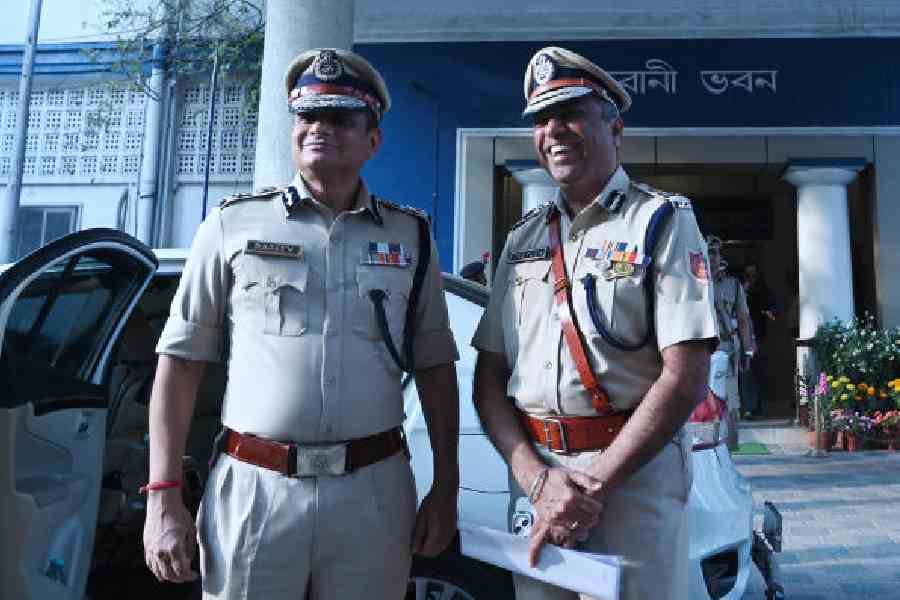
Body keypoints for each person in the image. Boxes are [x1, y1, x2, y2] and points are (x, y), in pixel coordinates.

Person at [142, 48, 460, 600]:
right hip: (257, 487)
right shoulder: (231, 225)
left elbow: (435, 365)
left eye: (341, 118)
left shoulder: (411, 237)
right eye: (308, 116)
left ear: (373, 141)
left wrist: (447, 486)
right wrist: (162, 495)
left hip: (374, 491)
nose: (320, 129)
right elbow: (180, 363)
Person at [471, 46, 718, 600]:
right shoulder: (524, 239)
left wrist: (591, 487)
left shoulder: (661, 221)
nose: (554, 129)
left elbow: (686, 376)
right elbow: (489, 379)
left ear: (615, 128)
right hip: (540, 482)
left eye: (572, 112)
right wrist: (538, 481)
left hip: (632, 481)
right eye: (541, 118)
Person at [707, 237, 754, 447]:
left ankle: (731, 443)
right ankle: (707, 441)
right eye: (708, 252)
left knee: (730, 398)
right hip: (700, 347)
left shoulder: (733, 285)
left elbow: (743, 319)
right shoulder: (693, 281)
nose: (712, 257)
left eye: (715, 252)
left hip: (726, 346)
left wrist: (748, 350)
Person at [741, 260, 776, 417]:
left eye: (754, 275)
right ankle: (748, 406)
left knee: (757, 371)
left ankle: (756, 406)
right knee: (745, 373)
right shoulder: (739, 289)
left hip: (758, 335)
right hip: (741, 337)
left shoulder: (762, 289)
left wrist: (770, 312)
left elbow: (772, 307)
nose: (752, 278)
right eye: (749, 275)